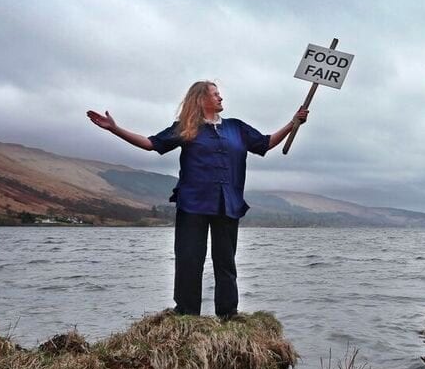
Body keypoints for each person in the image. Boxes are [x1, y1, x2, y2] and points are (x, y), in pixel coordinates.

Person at [87, 81, 307, 319]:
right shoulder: (186, 127)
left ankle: (228, 313)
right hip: (193, 203)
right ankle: (186, 313)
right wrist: (115, 129)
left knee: (226, 261)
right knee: (189, 259)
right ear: (201, 99)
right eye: (215, 94)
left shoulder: (237, 128)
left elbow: (265, 143)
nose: (221, 98)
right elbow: (151, 144)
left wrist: (293, 123)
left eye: (219, 94)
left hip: (227, 203)